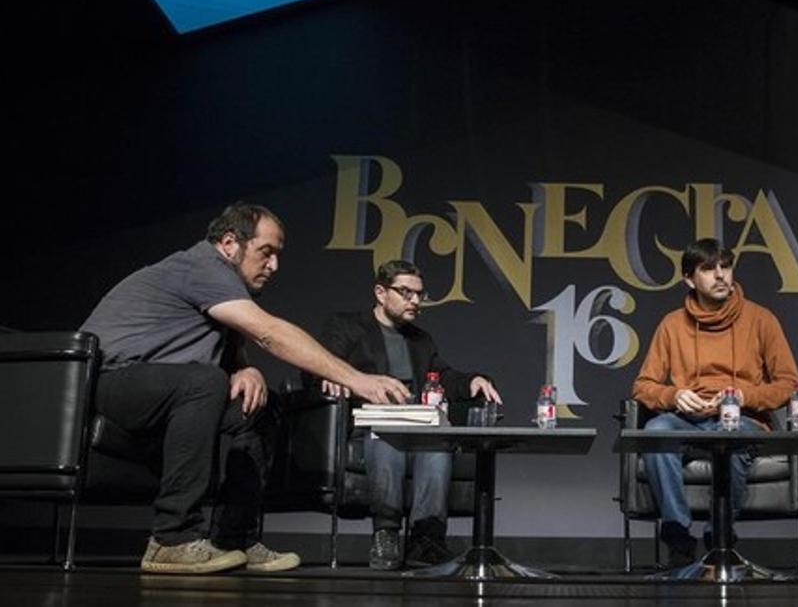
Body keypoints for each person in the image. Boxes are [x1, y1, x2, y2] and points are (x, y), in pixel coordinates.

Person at [81, 203, 410, 574]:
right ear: (228, 244)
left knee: (257, 405)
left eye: (278, 256)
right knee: (205, 382)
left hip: (165, 387)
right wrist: (358, 379)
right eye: (266, 253)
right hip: (111, 384)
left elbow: (227, 344)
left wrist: (246, 369)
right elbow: (269, 333)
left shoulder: (223, 284)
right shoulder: (203, 266)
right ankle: (170, 540)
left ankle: (234, 538)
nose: (274, 266)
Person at [315, 260, 502, 570]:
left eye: (419, 294)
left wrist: (472, 380)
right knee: (388, 436)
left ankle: (426, 540)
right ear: (380, 292)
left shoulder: (420, 340)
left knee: (438, 445)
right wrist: (333, 378)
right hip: (368, 427)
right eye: (405, 292)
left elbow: (442, 375)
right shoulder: (348, 326)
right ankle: (386, 533)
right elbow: (319, 365)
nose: (415, 301)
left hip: (418, 427)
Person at [631, 238, 798, 567]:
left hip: (743, 417)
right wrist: (674, 395)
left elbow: (789, 384)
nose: (720, 275)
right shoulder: (671, 324)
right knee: (657, 429)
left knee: (733, 433)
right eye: (708, 269)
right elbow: (643, 386)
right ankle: (678, 536)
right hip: (688, 418)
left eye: (725, 266)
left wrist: (744, 395)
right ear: (689, 279)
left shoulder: (761, 319)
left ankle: (718, 536)